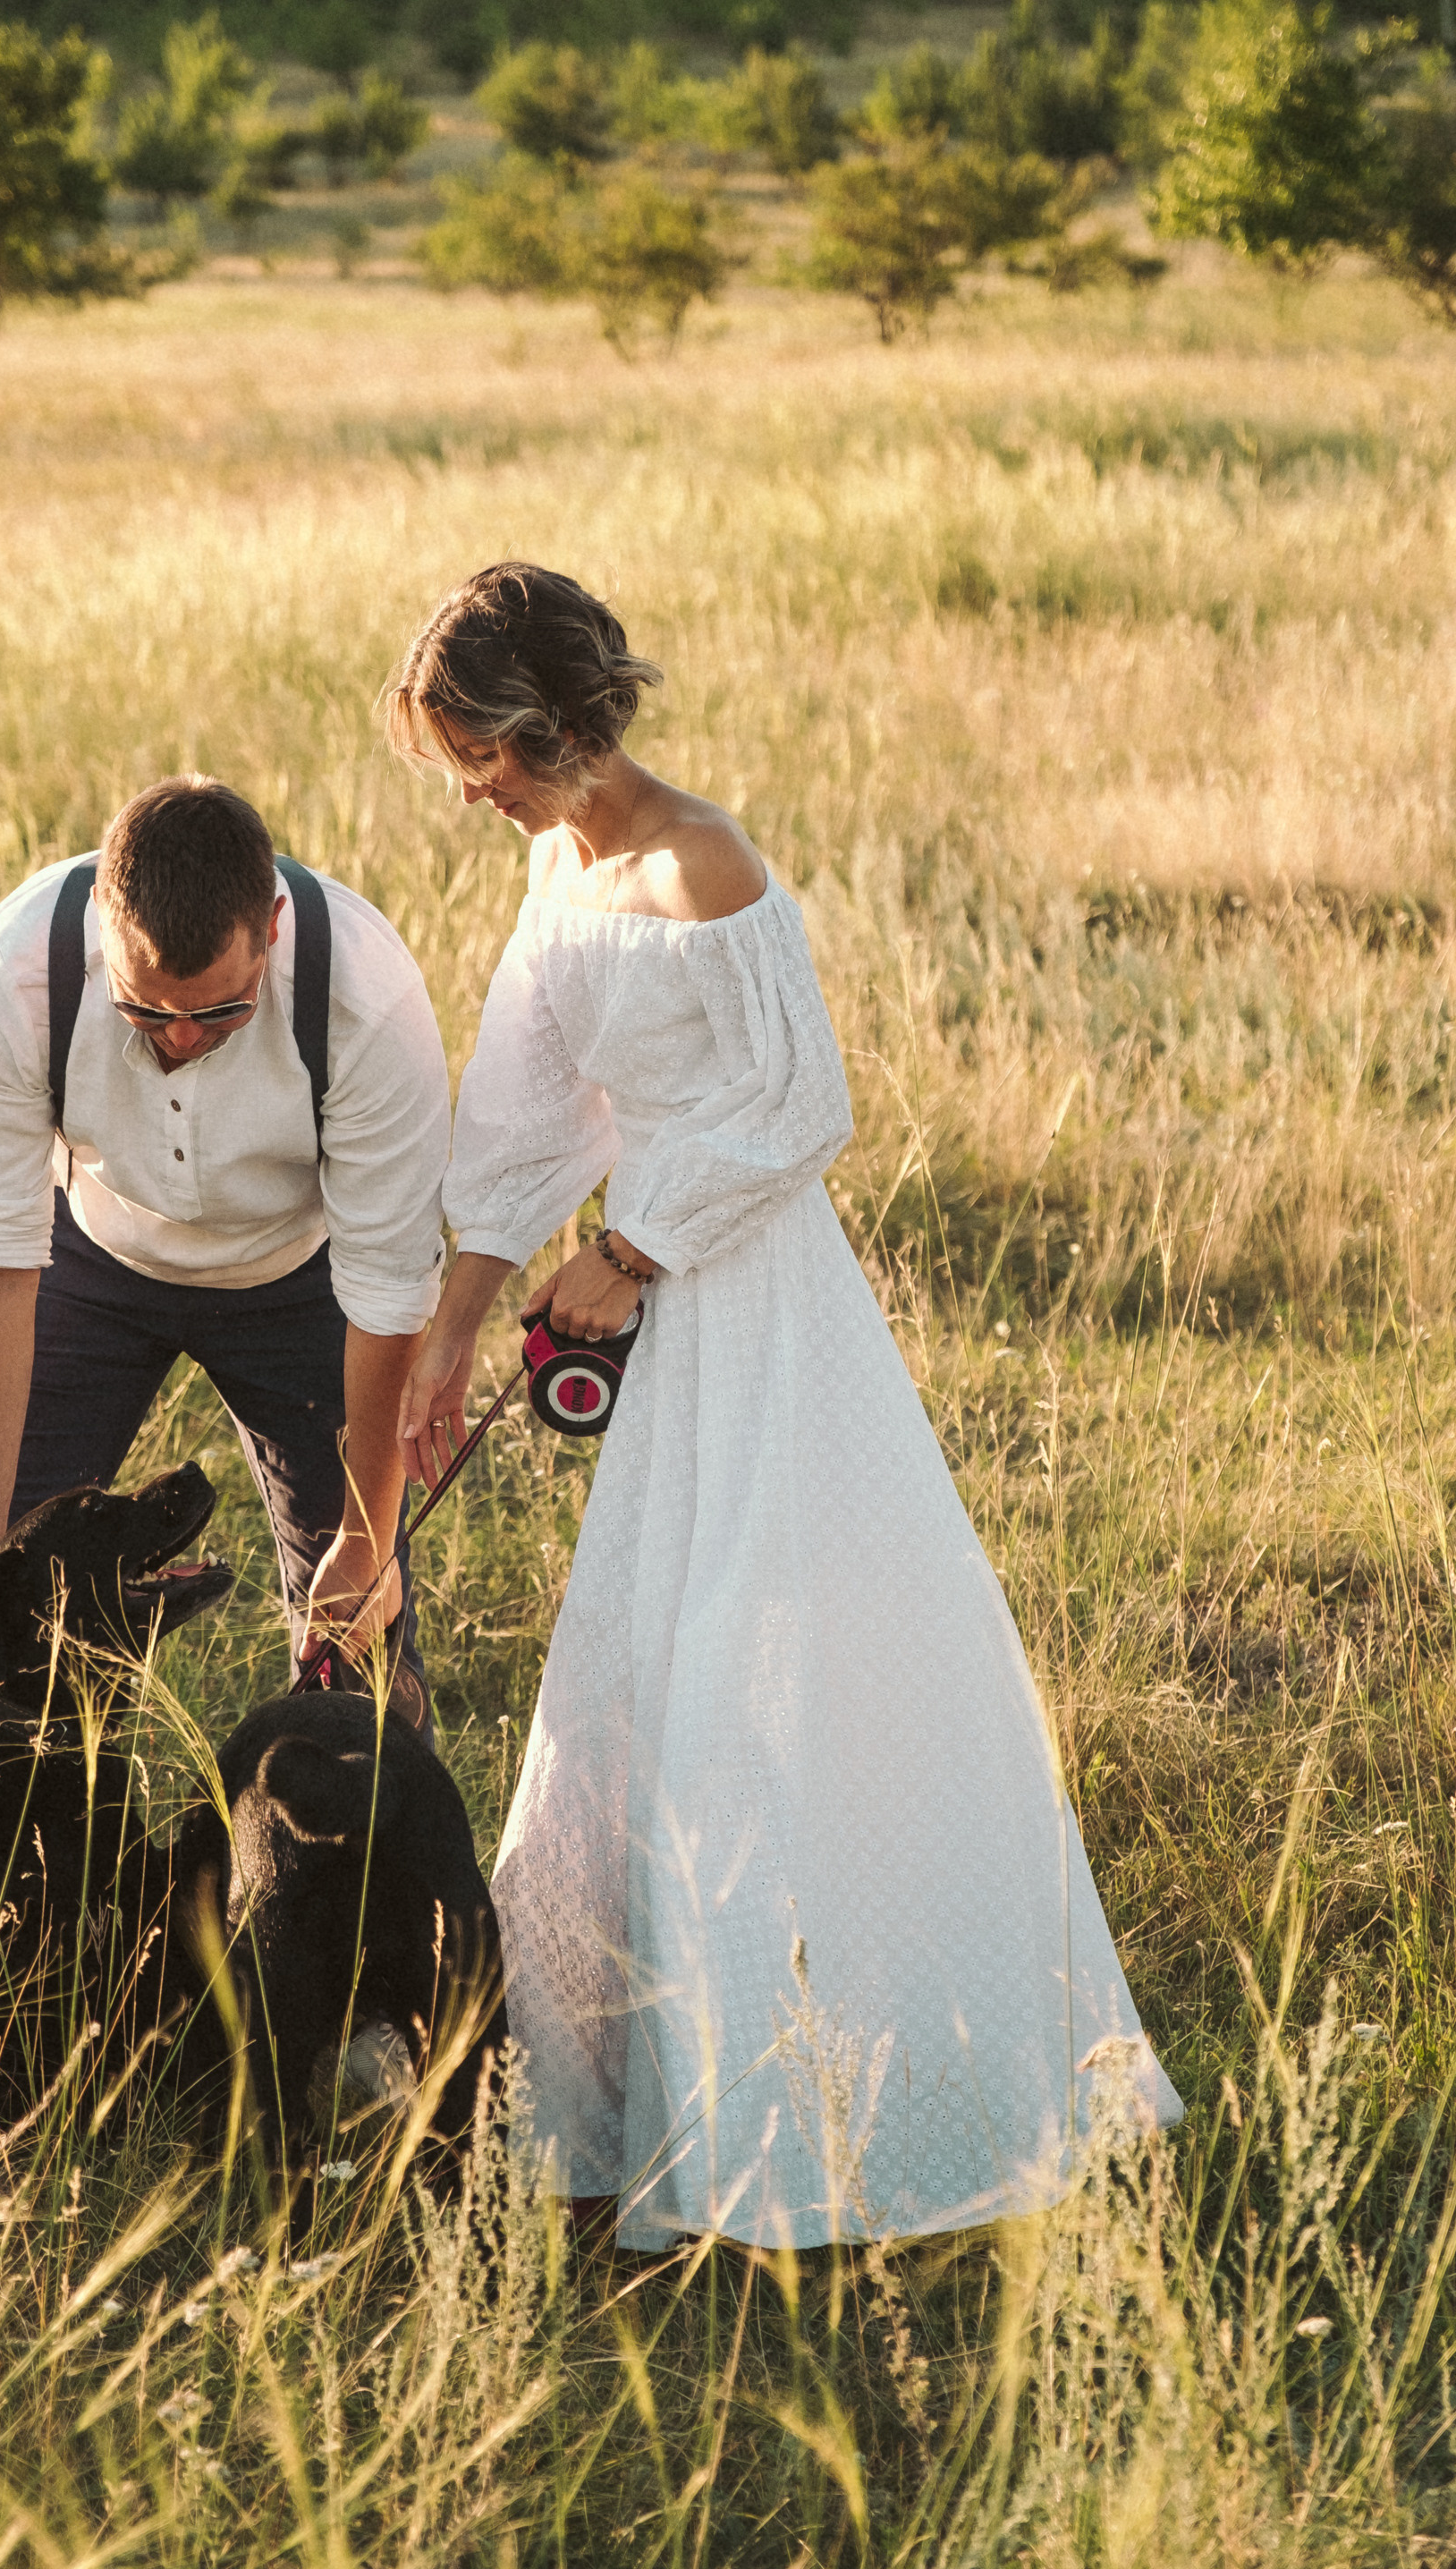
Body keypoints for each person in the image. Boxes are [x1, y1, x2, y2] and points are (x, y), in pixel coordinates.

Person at [389, 564, 1181, 2252]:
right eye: (462, 765)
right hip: (655, 1327)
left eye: (490, 759)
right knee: (631, 1678)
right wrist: (455, 1334)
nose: (475, 794)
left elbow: (806, 1101)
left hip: (755, 1307)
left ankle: (826, 2109)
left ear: (564, 723)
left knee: (777, 1667)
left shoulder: (706, 861)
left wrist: (637, 1250)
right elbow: (523, 1113)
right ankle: (609, 2103)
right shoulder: (559, 865)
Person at [0, 772, 449, 1730]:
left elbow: (389, 1286)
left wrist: (367, 1536)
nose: (182, 1040)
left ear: (271, 928)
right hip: (93, 1256)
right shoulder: (12, 973)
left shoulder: (366, 997)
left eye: (222, 1013)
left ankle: (366, 1870)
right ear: (101, 932)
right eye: (145, 1012)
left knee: (358, 1620)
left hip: (304, 1278)